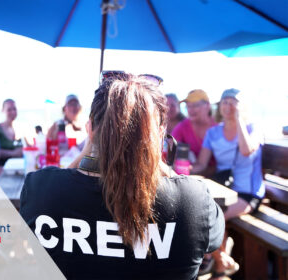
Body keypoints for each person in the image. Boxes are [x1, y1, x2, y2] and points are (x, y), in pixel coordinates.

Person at [20, 75, 225, 279]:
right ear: (161, 134)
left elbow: (67, 179)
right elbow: (212, 238)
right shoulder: (193, 202)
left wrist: (87, 150)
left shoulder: (40, 190)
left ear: (90, 129)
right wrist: (158, 157)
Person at [192, 88, 265, 279]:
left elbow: (246, 150)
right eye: (224, 101)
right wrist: (181, 170)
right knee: (203, 211)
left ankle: (218, 261)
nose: (228, 106)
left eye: (234, 102)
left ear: (242, 107)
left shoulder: (253, 128)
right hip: (224, 190)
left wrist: (239, 120)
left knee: (214, 216)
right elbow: (201, 163)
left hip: (249, 193)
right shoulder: (213, 133)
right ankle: (222, 261)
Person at [172, 89, 216, 175]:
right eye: (188, 106)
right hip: (192, 176)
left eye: (195, 105)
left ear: (207, 105)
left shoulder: (218, 126)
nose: (190, 110)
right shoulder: (182, 127)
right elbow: (169, 153)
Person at [0, 99, 23, 178]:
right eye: (9, 109)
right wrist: (14, 153)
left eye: (14, 109)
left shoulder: (15, 129)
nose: (13, 112)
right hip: (0, 171)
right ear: (3, 110)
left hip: (15, 169)